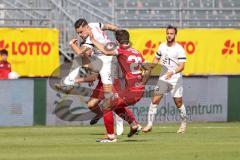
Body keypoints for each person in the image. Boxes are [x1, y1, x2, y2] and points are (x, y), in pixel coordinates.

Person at [88, 29, 152, 141]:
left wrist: (93, 39)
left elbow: (106, 51)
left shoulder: (121, 50)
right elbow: (148, 69)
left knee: (106, 105)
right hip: (139, 90)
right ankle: (134, 125)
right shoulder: (136, 52)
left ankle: (111, 137)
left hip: (131, 91)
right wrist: (142, 83)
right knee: (115, 105)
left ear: (117, 41)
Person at [142, 25, 187, 134]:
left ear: (175, 35)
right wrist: (149, 67)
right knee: (155, 100)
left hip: (175, 78)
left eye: (171, 33)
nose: (169, 35)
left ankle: (184, 123)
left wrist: (172, 72)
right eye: (168, 33)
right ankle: (149, 125)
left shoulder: (179, 49)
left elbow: (182, 66)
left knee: (178, 102)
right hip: (163, 77)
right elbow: (156, 59)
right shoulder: (162, 46)